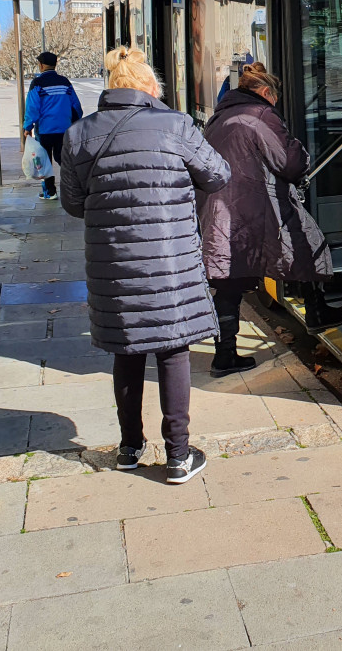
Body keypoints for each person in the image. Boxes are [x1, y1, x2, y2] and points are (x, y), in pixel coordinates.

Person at [61, 46, 230, 480]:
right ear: (150, 87)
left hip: (113, 263)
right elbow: (218, 175)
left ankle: (129, 448)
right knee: (173, 349)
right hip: (170, 262)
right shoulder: (176, 125)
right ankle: (178, 456)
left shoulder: (79, 134)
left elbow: (73, 203)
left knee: (127, 349)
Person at [199, 62, 342, 378]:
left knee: (229, 281)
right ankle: (317, 311)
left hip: (218, 210)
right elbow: (290, 162)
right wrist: (300, 150)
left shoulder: (219, 118)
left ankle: (224, 355)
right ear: (266, 93)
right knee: (306, 241)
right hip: (254, 206)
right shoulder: (261, 116)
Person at [24, 51, 83, 200]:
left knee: (45, 160)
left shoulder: (37, 83)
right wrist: (74, 121)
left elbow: (32, 107)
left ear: (41, 65)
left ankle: (50, 192)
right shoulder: (64, 82)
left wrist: (28, 126)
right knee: (63, 158)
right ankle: (75, 186)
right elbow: (76, 105)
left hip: (44, 129)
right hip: (64, 128)